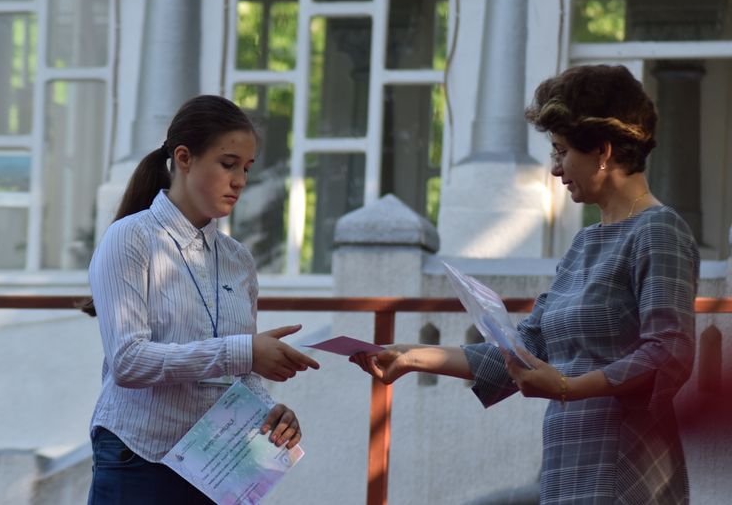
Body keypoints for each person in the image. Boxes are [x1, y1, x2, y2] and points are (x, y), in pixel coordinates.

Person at [350, 64, 699, 504]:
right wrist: (412, 356)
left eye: (561, 151)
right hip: (566, 465)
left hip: (627, 470)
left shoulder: (659, 230)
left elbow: (669, 352)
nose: (554, 169)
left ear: (603, 150)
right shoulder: (584, 243)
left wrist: (569, 387)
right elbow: (526, 348)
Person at [82, 95, 320, 504]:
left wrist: (270, 412)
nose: (240, 180)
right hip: (139, 459)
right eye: (228, 164)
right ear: (184, 158)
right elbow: (128, 361)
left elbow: (240, 372)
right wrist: (244, 351)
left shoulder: (237, 258)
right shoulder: (131, 237)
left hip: (215, 468)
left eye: (247, 168)